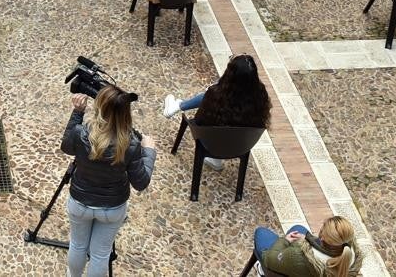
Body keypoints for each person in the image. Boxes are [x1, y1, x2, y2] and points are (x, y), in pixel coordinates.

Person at [61, 85, 156, 277]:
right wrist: (149, 152)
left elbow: (66, 147)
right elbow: (140, 183)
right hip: (112, 208)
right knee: (100, 255)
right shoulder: (131, 144)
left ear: (99, 108)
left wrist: (77, 113)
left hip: (79, 201)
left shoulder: (82, 132)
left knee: (77, 245)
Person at [161, 54, 271, 170]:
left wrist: (213, 91)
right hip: (242, 145)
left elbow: (199, 121)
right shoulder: (261, 95)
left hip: (212, 143)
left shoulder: (216, 94)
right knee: (227, 122)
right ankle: (215, 160)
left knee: (214, 105)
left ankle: (178, 106)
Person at [254, 216, 363, 277]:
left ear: (322, 238)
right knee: (299, 228)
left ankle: (263, 271)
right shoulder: (350, 255)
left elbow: (269, 258)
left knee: (262, 233)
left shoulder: (298, 256)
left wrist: (285, 240)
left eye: (322, 230)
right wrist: (307, 239)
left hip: (293, 263)